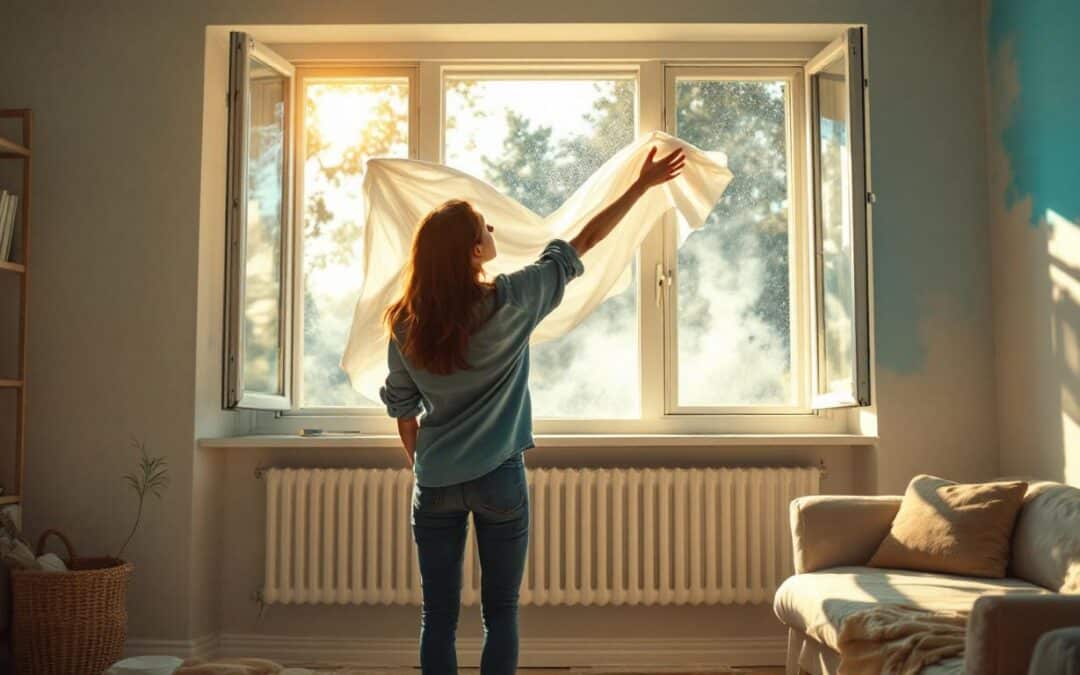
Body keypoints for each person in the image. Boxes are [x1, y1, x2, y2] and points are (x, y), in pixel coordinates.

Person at [379, 145, 686, 674]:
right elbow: (582, 240)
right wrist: (640, 186)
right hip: (499, 478)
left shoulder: (405, 323)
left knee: (438, 616)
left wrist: (424, 465)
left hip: (435, 483)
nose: (492, 231)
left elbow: (404, 412)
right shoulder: (513, 300)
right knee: (500, 613)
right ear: (473, 252)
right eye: (485, 227)